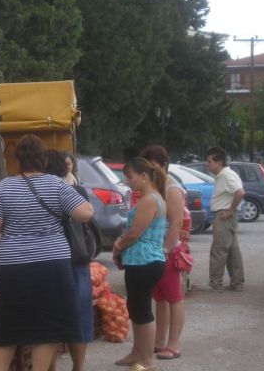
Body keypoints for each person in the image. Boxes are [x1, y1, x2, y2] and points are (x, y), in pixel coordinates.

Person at [0, 135, 93, 371]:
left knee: (9, 325)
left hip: (12, 266)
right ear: (43, 158)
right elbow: (85, 214)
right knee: (48, 325)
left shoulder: (4, 186)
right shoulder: (57, 185)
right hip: (51, 265)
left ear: (18, 159)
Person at [113, 157, 167, 371]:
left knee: (142, 311)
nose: (128, 182)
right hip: (141, 261)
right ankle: (137, 352)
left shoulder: (150, 200)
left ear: (144, 176)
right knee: (135, 308)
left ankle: (147, 359)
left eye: (130, 177)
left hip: (144, 261)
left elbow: (134, 233)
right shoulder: (150, 198)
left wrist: (118, 244)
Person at [45, 149, 93, 371]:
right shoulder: (78, 191)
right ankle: (78, 367)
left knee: (50, 318)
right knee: (79, 314)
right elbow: (87, 218)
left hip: (49, 261)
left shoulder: (40, 191)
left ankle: (50, 367)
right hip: (76, 259)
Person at [139, 145, 187, 360]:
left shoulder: (171, 189)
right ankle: (159, 341)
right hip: (154, 250)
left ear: (164, 165)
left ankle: (173, 344)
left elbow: (176, 224)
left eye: (154, 166)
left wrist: (166, 251)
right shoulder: (155, 187)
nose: (151, 170)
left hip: (167, 250)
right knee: (160, 297)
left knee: (174, 297)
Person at [205, 146, 245, 292]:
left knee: (219, 250)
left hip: (224, 216)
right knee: (232, 251)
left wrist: (230, 210)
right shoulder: (226, 175)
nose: (207, 164)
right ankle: (237, 282)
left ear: (219, 162)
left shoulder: (226, 176)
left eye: (209, 161)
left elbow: (240, 192)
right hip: (226, 215)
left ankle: (216, 282)